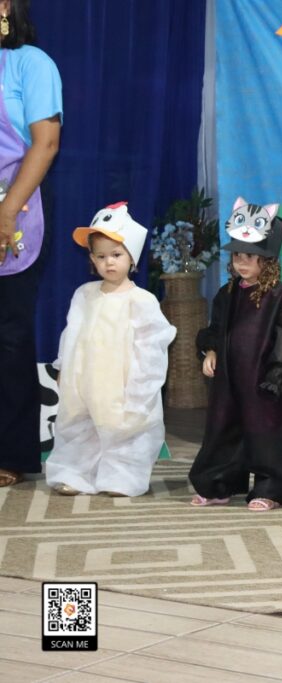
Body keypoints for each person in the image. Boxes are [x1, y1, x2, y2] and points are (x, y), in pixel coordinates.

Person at [189, 198, 282, 511]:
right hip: (231, 378)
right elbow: (217, 328)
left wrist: (277, 373)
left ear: (267, 259)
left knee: (267, 431)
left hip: (265, 380)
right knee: (223, 428)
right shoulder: (228, 294)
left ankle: (271, 488)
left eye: (250, 256)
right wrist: (211, 350)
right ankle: (219, 485)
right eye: (237, 256)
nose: (242, 263)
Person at [45, 204, 175, 496]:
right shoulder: (84, 294)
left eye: (116, 255)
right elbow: (71, 333)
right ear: (92, 259)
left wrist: (142, 384)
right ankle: (74, 473)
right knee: (80, 424)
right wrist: (63, 366)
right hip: (85, 377)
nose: (109, 263)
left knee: (124, 426)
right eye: (101, 257)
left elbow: (152, 345)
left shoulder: (141, 300)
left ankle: (122, 478)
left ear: (132, 256)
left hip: (122, 379)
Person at [0, 0, 62, 487]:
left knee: (8, 336)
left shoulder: (30, 64)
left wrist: (6, 211)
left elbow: (46, 142)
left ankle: (10, 454)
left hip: (15, 211)